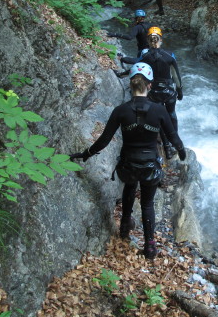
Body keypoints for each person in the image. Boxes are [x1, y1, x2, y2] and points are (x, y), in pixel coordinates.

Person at [69, 62, 186, 260]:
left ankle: (124, 226)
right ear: (150, 85)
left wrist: (85, 154)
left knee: (130, 188)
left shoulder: (121, 110)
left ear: (131, 85)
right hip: (150, 166)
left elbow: (104, 141)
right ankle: (150, 246)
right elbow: (173, 137)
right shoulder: (159, 110)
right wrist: (181, 151)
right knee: (148, 204)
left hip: (128, 165)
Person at [121, 26, 183, 159]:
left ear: (148, 40)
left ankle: (166, 147)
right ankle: (174, 143)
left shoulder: (146, 56)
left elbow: (136, 69)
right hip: (169, 92)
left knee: (160, 118)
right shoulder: (170, 56)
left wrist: (121, 74)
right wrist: (180, 91)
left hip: (154, 92)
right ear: (161, 39)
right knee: (171, 114)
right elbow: (176, 77)